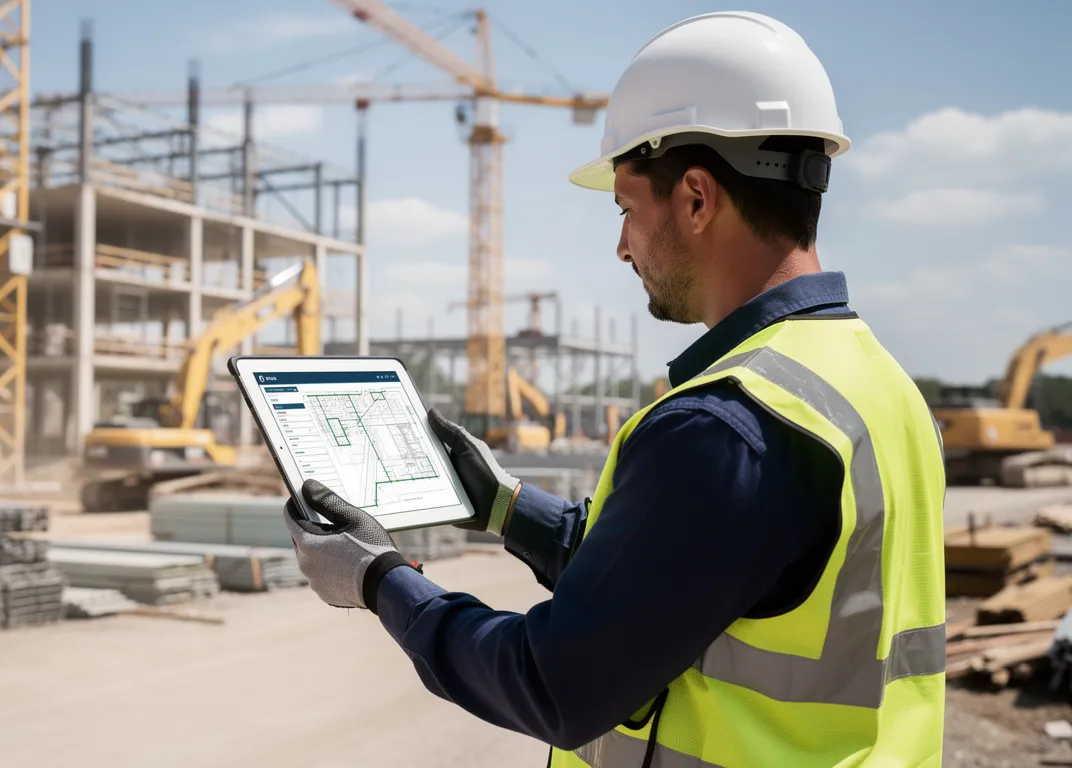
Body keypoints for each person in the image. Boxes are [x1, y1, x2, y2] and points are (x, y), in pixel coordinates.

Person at [282, 11, 947, 768]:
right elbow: (674, 579)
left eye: (628, 209)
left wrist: (378, 580)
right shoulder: (871, 382)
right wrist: (504, 506)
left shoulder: (727, 424)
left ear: (697, 199)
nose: (622, 245)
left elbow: (551, 682)